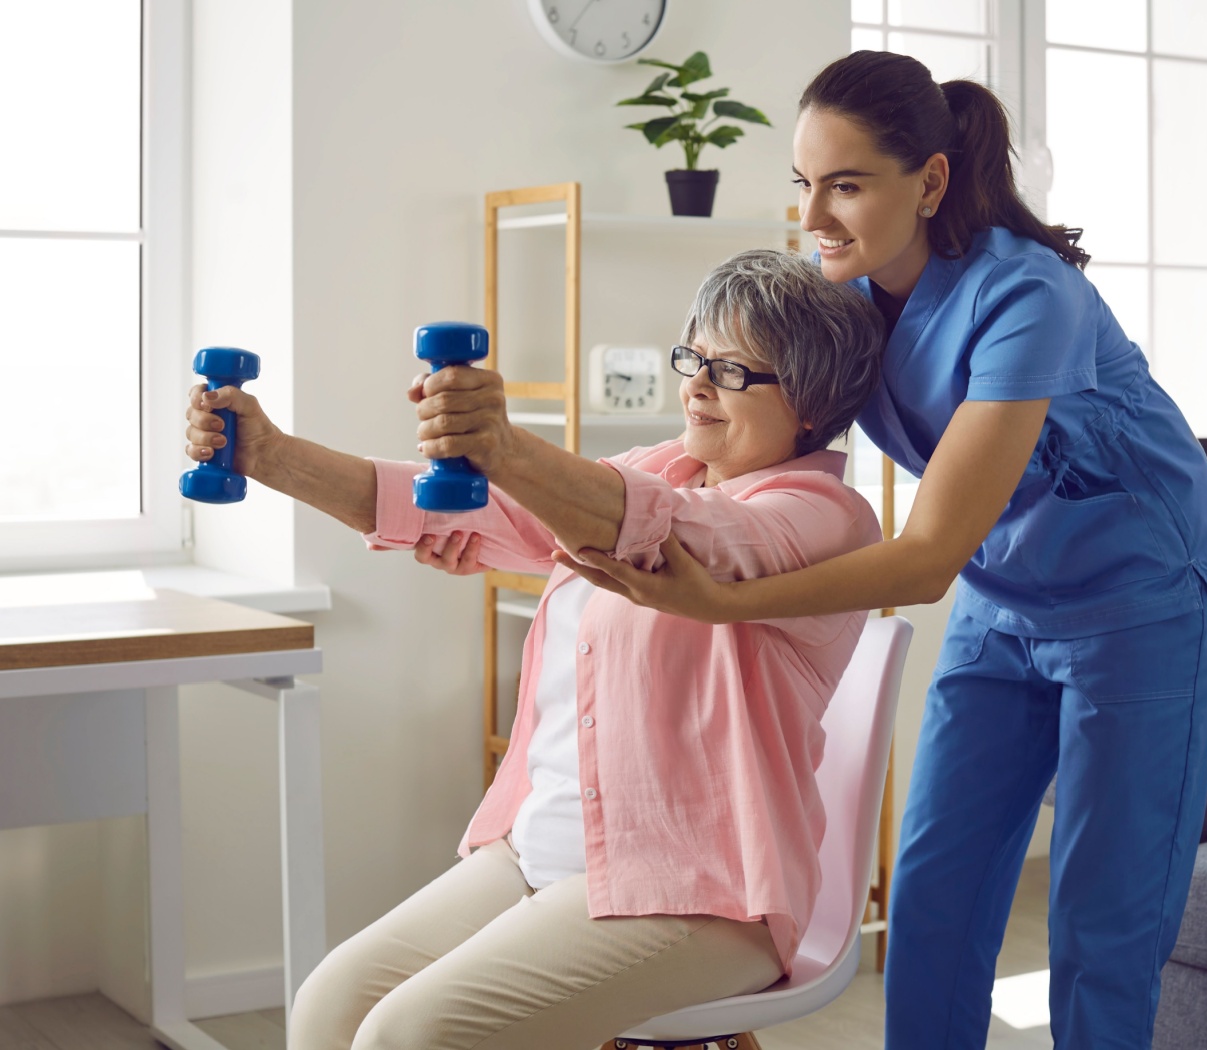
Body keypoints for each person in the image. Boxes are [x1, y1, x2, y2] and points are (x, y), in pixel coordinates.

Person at [544, 51, 1207, 1050]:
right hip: (1007, 596)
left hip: (1141, 601)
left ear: (930, 182)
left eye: (847, 184)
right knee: (933, 894)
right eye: (804, 183)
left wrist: (720, 603)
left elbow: (922, 558)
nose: (815, 213)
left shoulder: (1027, 296)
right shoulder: (853, 303)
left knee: (1104, 920)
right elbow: (763, 438)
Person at [181, 250, 886, 1050]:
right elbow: (465, 511)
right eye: (692, 356)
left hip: (702, 892)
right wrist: (268, 455)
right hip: (545, 849)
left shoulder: (825, 516)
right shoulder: (661, 469)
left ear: (810, 398)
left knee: (410, 1037)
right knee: (328, 1007)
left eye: (731, 371)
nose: (693, 385)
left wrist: (506, 447)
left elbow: (680, 538)